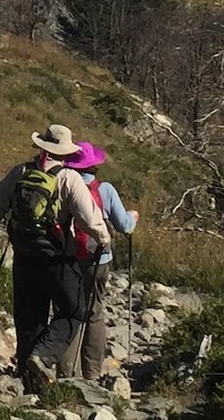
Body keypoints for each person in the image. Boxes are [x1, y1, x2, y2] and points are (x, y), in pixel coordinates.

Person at [0, 123, 113, 391]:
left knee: (29, 317)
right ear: (66, 153)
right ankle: (42, 357)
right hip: (57, 258)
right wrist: (104, 239)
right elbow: (90, 219)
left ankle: (29, 385)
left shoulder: (20, 173)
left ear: (41, 146)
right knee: (74, 310)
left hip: (24, 256)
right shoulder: (68, 178)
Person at [60, 141, 137, 381]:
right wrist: (134, 217)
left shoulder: (62, 183)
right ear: (94, 165)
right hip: (99, 258)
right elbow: (124, 225)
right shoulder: (105, 190)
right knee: (93, 312)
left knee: (67, 312)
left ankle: (64, 373)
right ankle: (91, 374)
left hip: (68, 257)